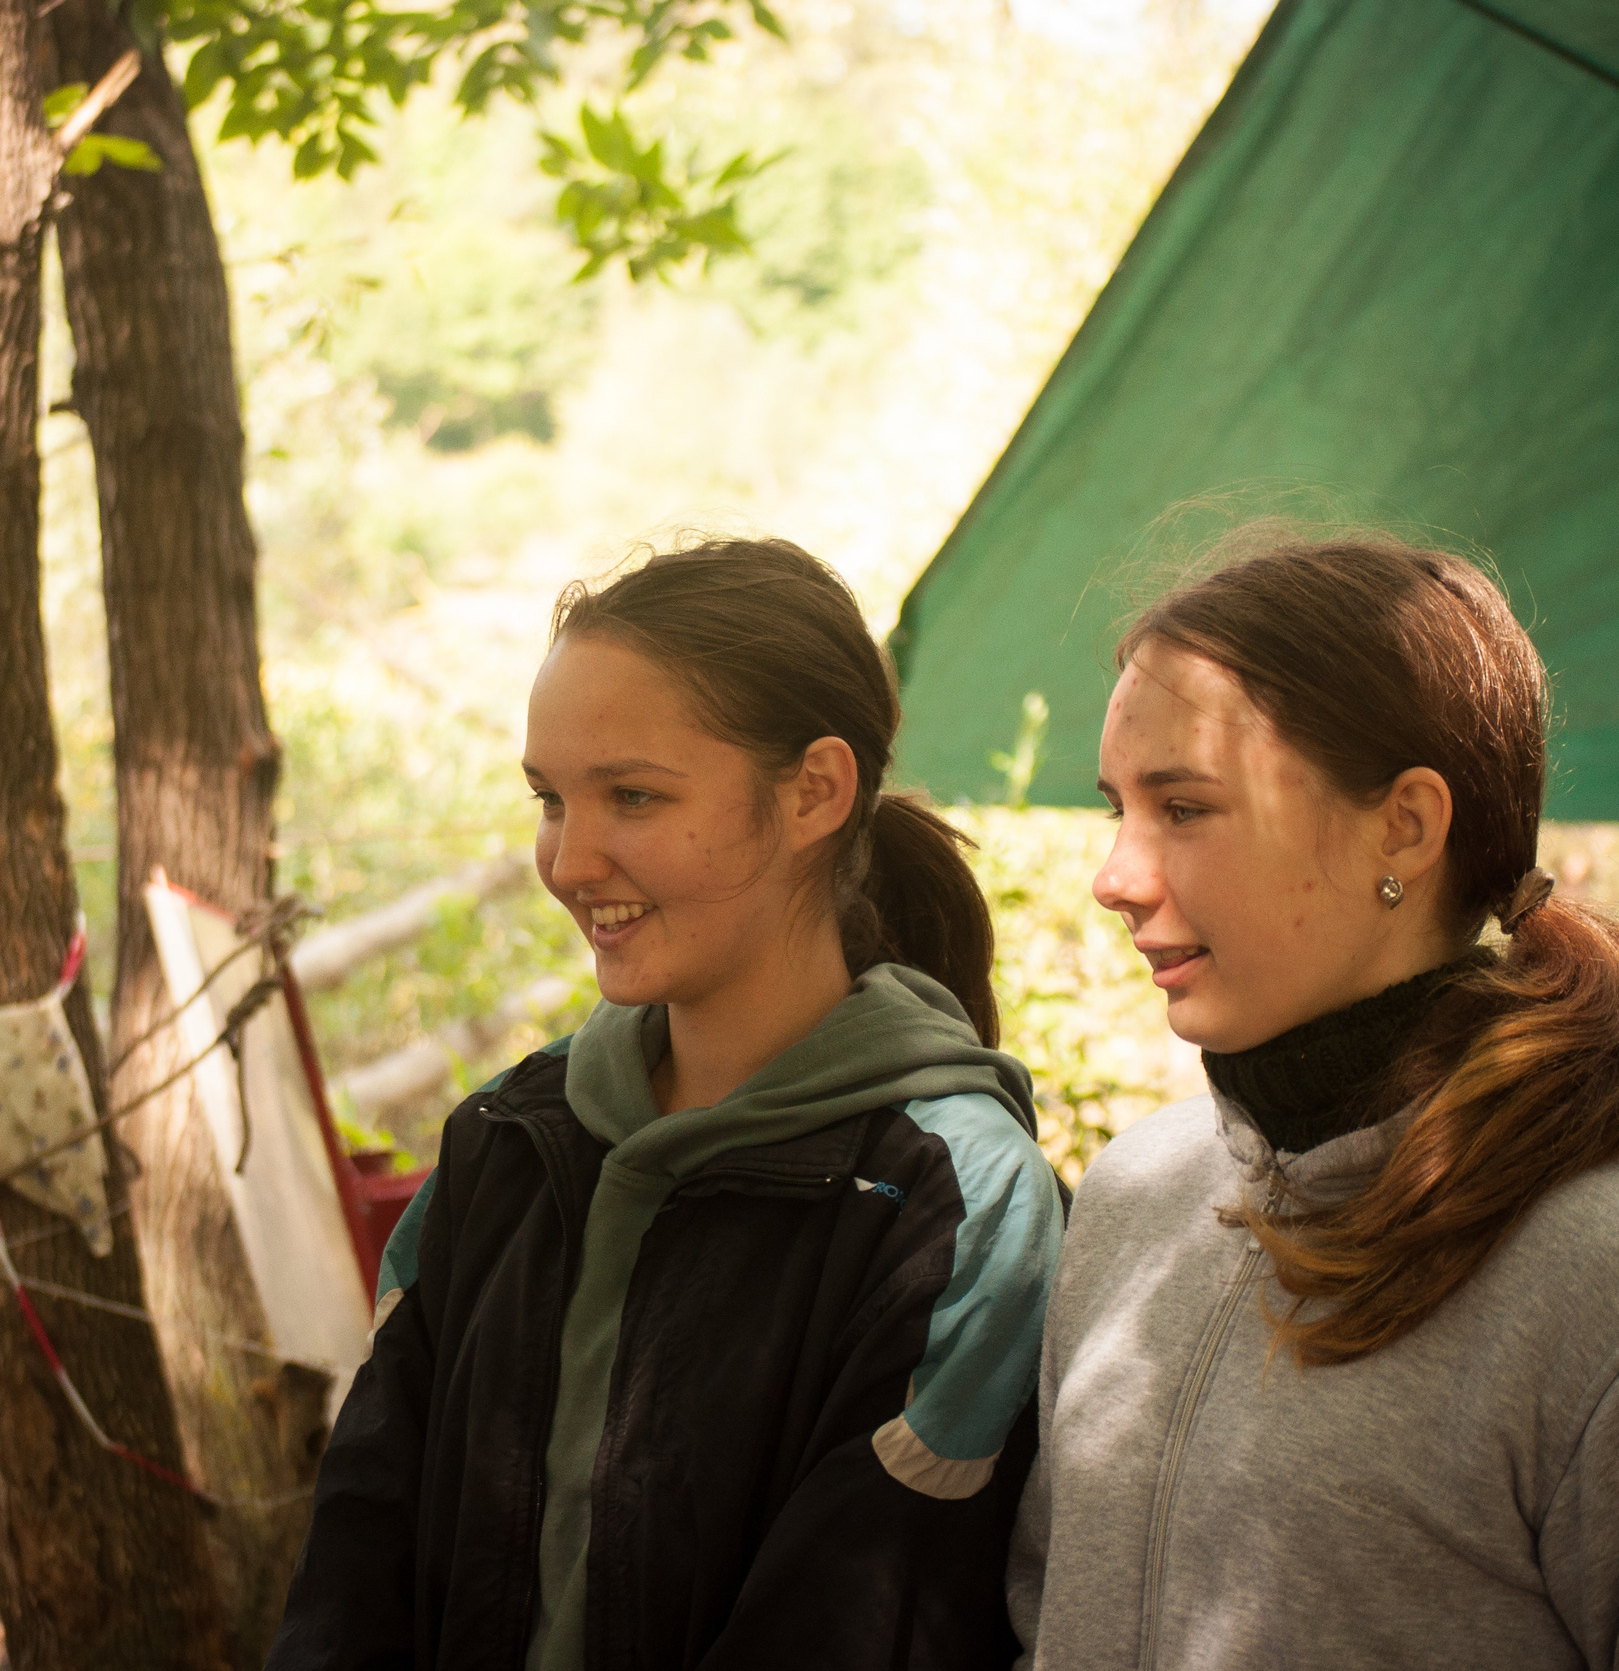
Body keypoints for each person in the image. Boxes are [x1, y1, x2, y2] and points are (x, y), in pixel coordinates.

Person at [1008, 533, 1619, 1668]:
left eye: (1185, 807)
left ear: (1403, 825)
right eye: (1117, 806)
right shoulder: (1129, 1198)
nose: (1114, 874)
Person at [269, 537, 1064, 1670]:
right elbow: (355, 1568)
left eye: (632, 796)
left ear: (815, 793)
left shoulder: (953, 1205)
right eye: (551, 799)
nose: (570, 858)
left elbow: (862, 1619)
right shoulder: (503, 1142)